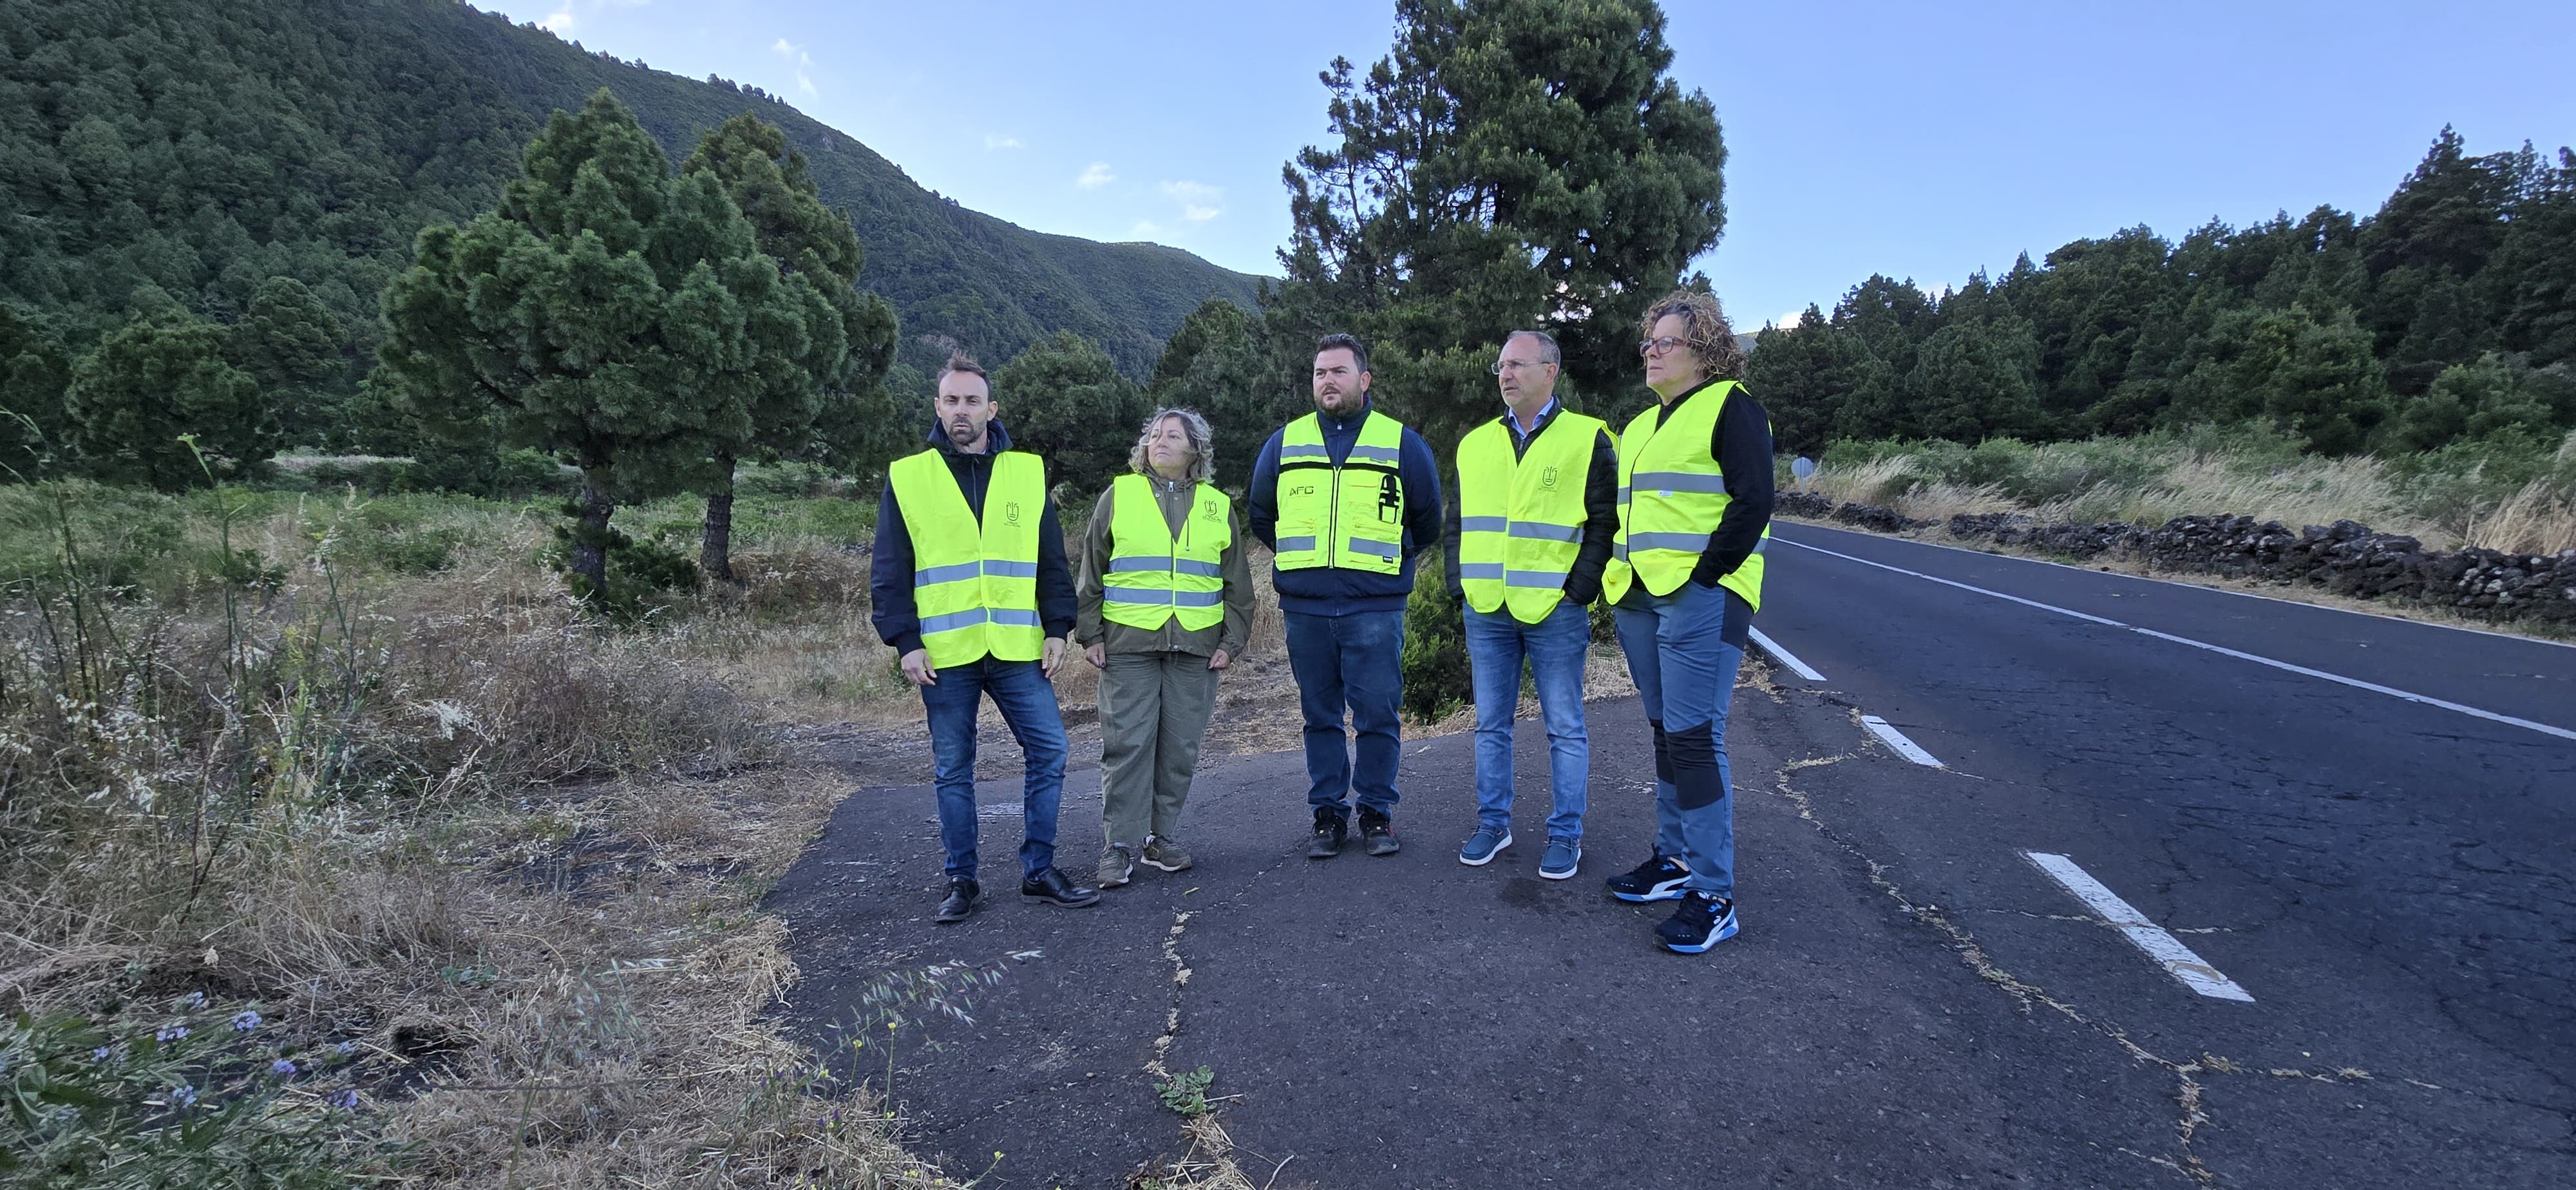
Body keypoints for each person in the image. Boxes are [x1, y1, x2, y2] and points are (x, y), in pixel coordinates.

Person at [869, 350, 1098, 923]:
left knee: (1051, 750)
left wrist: (1057, 626)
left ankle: (1039, 871)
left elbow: (1050, 558)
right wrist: (906, 641)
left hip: (1020, 648)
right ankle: (962, 881)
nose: (962, 410)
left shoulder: (1025, 471)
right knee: (954, 768)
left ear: (991, 408)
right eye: (952, 400)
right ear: (938, 406)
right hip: (945, 654)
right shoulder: (909, 476)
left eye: (973, 400)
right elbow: (890, 567)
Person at [1598, 290, 1775, 954]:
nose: (1650, 351)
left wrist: (1705, 575)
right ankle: (1672, 862)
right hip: (1639, 594)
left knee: (1695, 738)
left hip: (1704, 593)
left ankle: (1713, 893)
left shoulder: (1733, 407)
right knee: (1664, 734)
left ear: (1701, 349)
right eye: (1647, 342)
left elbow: (1754, 500)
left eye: (1664, 342)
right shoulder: (1641, 426)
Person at [1248, 334, 1444, 859]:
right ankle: (1328, 816)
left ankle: (1377, 814)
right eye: (1319, 374)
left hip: (1375, 609)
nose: (1327, 381)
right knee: (1320, 717)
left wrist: (1389, 561)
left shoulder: (1401, 442)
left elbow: (1427, 520)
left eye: (1337, 371)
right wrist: (1307, 566)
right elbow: (1262, 516)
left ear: (1364, 379)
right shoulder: (1284, 443)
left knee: (1378, 716)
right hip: (1306, 611)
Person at [1441, 330, 1618, 880]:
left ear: (1550, 372)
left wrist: (1580, 590)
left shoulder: (1588, 438)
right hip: (1487, 607)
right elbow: (1457, 523)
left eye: (1517, 364)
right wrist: (1458, 583)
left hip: (1555, 610)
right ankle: (1493, 824)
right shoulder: (1474, 444)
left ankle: (1566, 834)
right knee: (1490, 724)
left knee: (1564, 726)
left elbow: (1605, 522)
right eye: (1500, 366)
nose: (1505, 374)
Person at [1074, 408, 1255, 889]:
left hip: (1196, 647)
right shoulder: (1119, 495)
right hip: (1128, 644)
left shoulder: (1218, 506)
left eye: (1173, 435)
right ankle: (1118, 847)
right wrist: (1089, 633)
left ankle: (1162, 838)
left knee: (1179, 748)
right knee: (1128, 745)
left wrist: (1231, 642)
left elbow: (1238, 583)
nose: (1160, 441)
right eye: (1154, 434)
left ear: (1196, 449)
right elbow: (1092, 567)